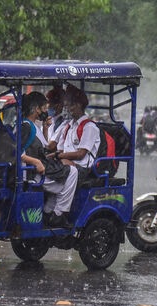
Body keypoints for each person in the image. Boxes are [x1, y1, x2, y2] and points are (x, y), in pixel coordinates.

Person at [20, 91, 78, 229]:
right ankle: (58, 215)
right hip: (31, 173)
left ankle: (47, 213)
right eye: (44, 108)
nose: (46, 111)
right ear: (36, 109)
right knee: (73, 172)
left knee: (61, 184)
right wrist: (36, 162)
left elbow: (45, 146)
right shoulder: (25, 126)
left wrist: (46, 128)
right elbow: (17, 151)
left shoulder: (33, 125)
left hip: (38, 169)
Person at [56, 84, 100, 179]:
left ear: (78, 105)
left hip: (82, 170)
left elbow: (80, 155)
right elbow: (60, 150)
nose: (66, 110)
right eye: (65, 106)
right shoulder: (68, 126)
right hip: (67, 164)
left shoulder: (89, 127)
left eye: (69, 106)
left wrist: (59, 156)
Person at [45, 85, 68, 152]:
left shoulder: (64, 123)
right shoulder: (48, 120)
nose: (47, 106)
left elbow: (51, 146)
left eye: (50, 103)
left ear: (59, 105)